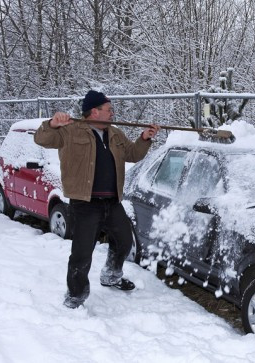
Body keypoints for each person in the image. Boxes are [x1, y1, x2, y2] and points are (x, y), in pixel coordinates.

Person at [34, 90, 160, 309]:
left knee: (124, 241)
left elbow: (132, 154)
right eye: (108, 109)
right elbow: (42, 139)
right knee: (82, 253)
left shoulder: (115, 134)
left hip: (111, 201)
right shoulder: (70, 130)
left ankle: (111, 274)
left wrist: (144, 139)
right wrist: (52, 124)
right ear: (94, 111)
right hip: (84, 203)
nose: (112, 113)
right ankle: (76, 294)